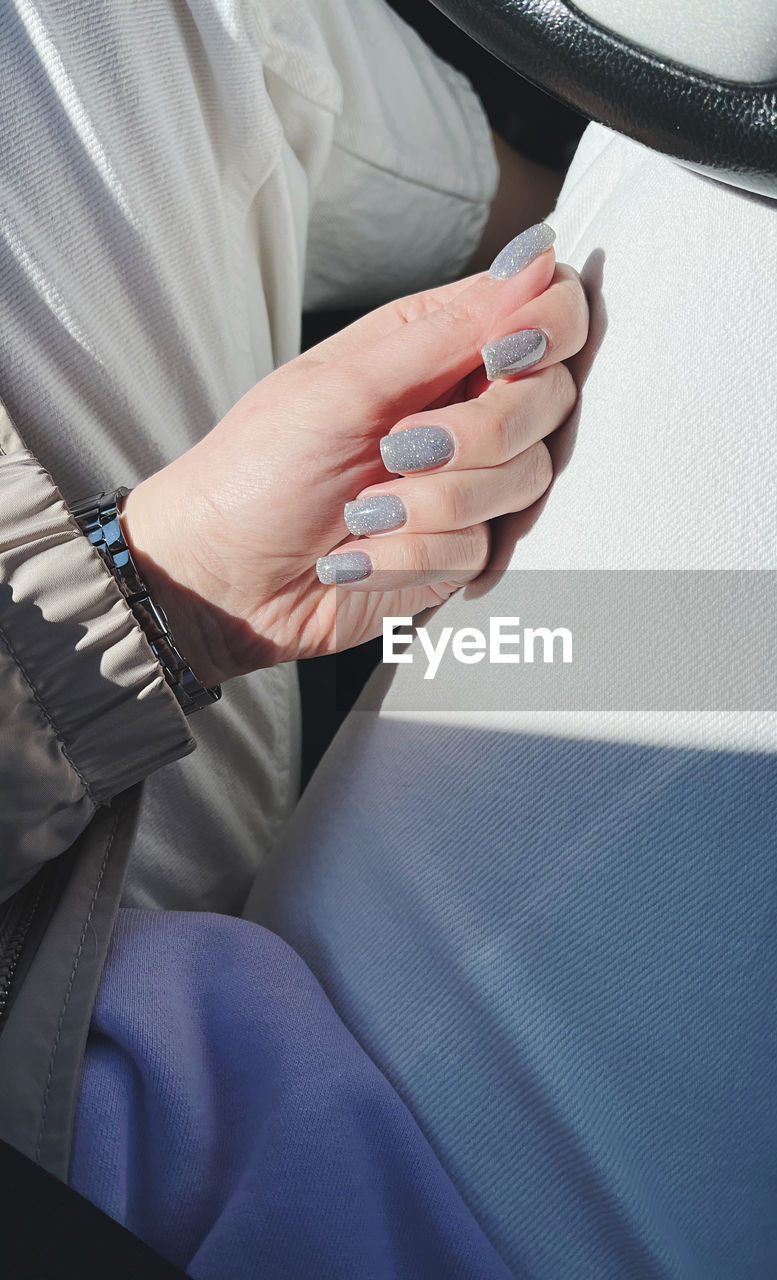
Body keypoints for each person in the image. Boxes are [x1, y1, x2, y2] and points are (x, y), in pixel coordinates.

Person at [245, 69, 777, 1280]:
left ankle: (527, 209)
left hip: (98, 876)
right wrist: (141, 595)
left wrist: (151, 577)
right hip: (307, 1200)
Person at [0, 0, 588, 1272]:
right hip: (115, 1139)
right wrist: (149, 600)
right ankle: (605, 197)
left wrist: (165, 581)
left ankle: (561, 200)